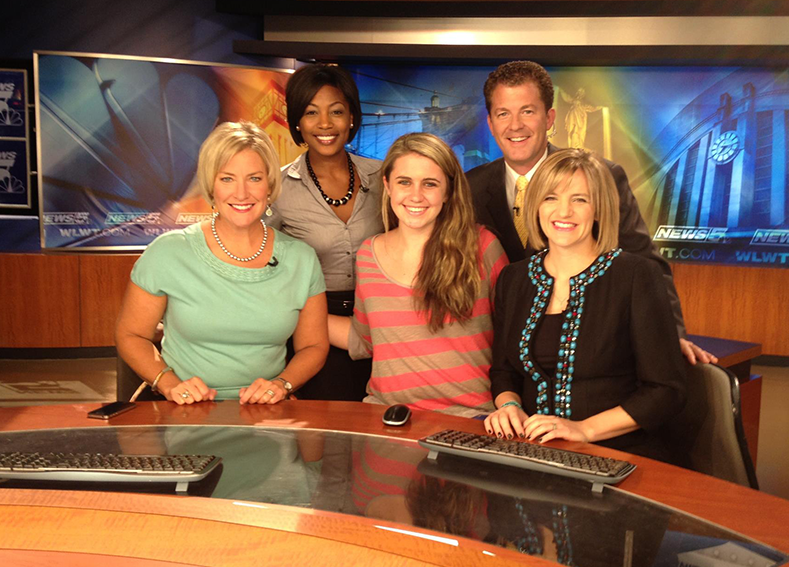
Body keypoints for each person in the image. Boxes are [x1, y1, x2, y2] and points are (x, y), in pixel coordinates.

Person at [466, 60, 715, 364]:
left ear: (549, 118)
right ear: (490, 123)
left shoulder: (602, 176)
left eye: (527, 111)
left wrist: (671, 333)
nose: (515, 125)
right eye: (503, 113)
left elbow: (645, 263)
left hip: (588, 353)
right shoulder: (469, 189)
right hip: (502, 354)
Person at [485, 149, 686, 463]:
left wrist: (583, 430)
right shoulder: (514, 279)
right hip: (533, 452)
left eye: (579, 199)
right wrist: (508, 406)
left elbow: (665, 391)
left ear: (599, 209)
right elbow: (504, 371)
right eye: (551, 198)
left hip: (620, 454)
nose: (563, 212)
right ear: (535, 205)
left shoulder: (636, 275)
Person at [116, 121, 329, 405]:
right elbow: (131, 335)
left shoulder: (302, 258)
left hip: (268, 411)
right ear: (211, 186)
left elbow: (313, 346)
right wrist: (170, 385)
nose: (241, 193)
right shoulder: (167, 253)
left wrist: (281, 385)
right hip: (182, 410)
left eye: (254, 178)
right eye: (227, 178)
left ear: (269, 184)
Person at [328, 132, 508, 417]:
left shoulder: (483, 247)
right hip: (386, 417)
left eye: (430, 184)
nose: (415, 195)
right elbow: (365, 341)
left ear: (448, 190)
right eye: (404, 182)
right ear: (387, 185)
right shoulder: (368, 255)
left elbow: (512, 342)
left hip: (469, 418)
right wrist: (291, 313)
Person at [268, 64, 383, 401]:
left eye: (336, 111)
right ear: (297, 124)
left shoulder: (383, 177)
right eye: (311, 113)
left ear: (351, 117)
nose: (324, 124)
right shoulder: (278, 188)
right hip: (313, 325)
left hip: (380, 319)